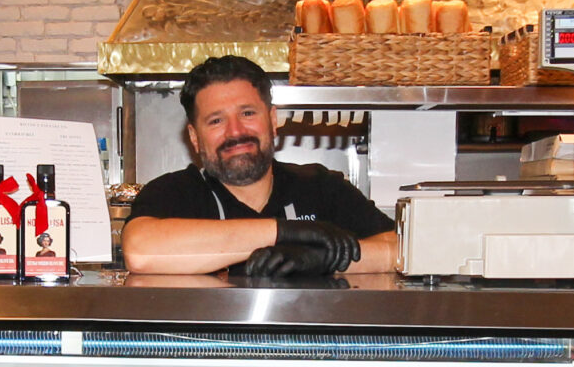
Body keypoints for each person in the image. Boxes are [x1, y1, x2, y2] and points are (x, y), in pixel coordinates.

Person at [123, 55, 397, 278]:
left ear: (273, 120)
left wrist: (327, 260)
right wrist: (283, 233)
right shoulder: (173, 194)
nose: (235, 132)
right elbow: (140, 251)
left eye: (247, 113)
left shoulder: (322, 187)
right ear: (195, 137)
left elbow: (401, 249)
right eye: (216, 121)